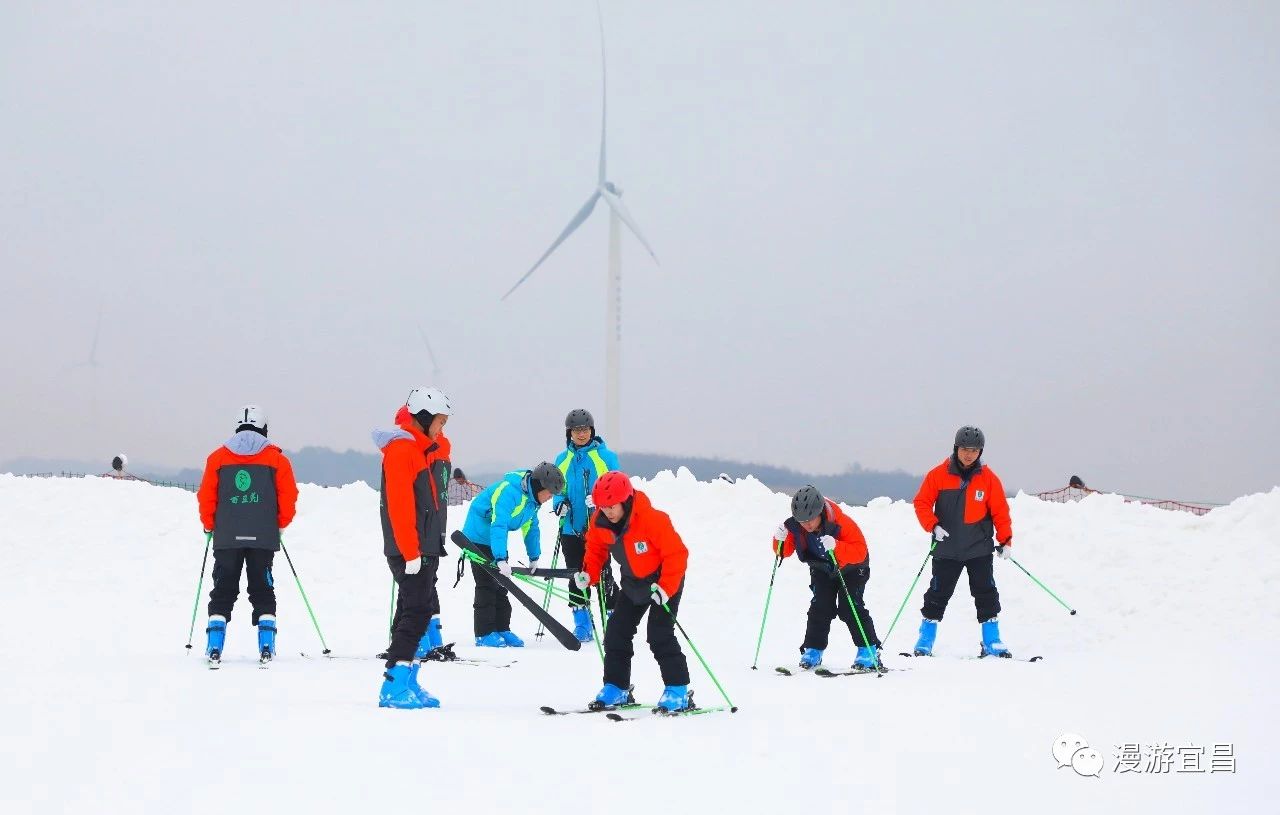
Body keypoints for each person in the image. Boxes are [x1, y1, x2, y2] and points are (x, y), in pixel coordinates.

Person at [575, 471, 692, 712]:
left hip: (663, 581)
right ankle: (617, 688)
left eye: (612, 506)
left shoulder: (653, 520)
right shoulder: (600, 521)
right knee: (616, 633)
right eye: (603, 506)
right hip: (632, 583)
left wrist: (667, 588)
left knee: (659, 634)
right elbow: (595, 549)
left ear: (626, 500)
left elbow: (677, 554)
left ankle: (677, 690)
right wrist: (589, 574)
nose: (607, 511)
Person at [197, 405, 298, 666]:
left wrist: (209, 525)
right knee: (263, 589)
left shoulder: (217, 458)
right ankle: (267, 645)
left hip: (227, 536)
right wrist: (280, 524)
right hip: (263, 536)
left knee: (223, 589)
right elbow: (288, 496)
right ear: (263, 429)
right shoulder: (277, 460)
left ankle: (214, 646)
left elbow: (206, 495)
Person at [373, 387, 453, 708]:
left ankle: (408, 680)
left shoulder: (419, 449)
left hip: (423, 547)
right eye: (439, 421)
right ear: (423, 417)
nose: (441, 428)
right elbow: (400, 506)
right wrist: (410, 552)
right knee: (417, 611)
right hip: (410, 550)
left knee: (414, 611)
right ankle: (393, 685)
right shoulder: (402, 450)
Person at [911, 425, 1014, 658]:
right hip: (946, 548)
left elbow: (1000, 511)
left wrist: (1006, 540)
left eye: (975, 450)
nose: (969, 454)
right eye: (965, 449)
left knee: (986, 591)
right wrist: (933, 526)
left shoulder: (988, 479)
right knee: (938, 592)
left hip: (978, 548)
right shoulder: (938, 474)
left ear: (980, 452)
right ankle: (925, 638)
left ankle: (992, 640)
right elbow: (922, 503)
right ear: (956, 448)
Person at [772, 485, 882, 671]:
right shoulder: (796, 526)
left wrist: (837, 546)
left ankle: (869, 651)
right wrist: (779, 539)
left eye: (810, 520)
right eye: (801, 521)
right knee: (820, 606)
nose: (806, 525)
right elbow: (784, 552)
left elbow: (860, 552)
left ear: (820, 512)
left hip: (852, 567)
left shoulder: (842, 523)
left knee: (849, 606)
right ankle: (813, 650)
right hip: (822, 567)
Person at [459, 462, 565, 647]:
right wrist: (500, 558)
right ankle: (484, 633)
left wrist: (534, 557)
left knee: (502, 585)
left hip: (494, 538)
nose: (550, 498)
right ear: (539, 486)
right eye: (549, 492)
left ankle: (502, 628)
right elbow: (498, 524)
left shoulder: (532, 501)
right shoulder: (508, 491)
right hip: (477, 536)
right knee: (486, 585)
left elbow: (531, 528)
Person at [551, 408, 620, 642]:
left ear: (592, 430)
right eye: (576, 430)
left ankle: (612, 619)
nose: (581, 434)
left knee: (603, 571)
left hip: (600, 526)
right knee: (576, 573)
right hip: (571, 527)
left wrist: (601, 500)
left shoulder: (606, 457)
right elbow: (557, 488)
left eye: (585, 429)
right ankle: (582, 622)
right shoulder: (562, 459)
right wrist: (560, 503)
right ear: (569, 433)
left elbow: (618, 487)